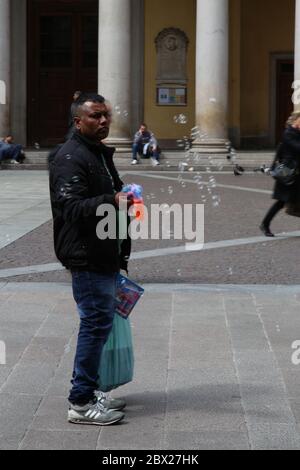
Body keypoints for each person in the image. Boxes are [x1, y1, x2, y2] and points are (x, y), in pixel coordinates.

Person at [49, 93, 134, 426]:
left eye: (106, 116)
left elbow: (107, 198)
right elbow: (70, 208)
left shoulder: (96, 153)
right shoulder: (70, 157)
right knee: (95, 326)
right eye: (96, 116)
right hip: (86, 256)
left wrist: (123, 199)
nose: (103, 121)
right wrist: (112, 198)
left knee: (100, 326)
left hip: (103, 253)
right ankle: (81, 402)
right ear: (78, 121)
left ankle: (90, 390)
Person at [260, 112, 300, 237]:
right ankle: (265, 224)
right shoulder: (288, 134)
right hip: (287, 172)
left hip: (297, 172)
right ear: (295, 121)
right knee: (281, 201)